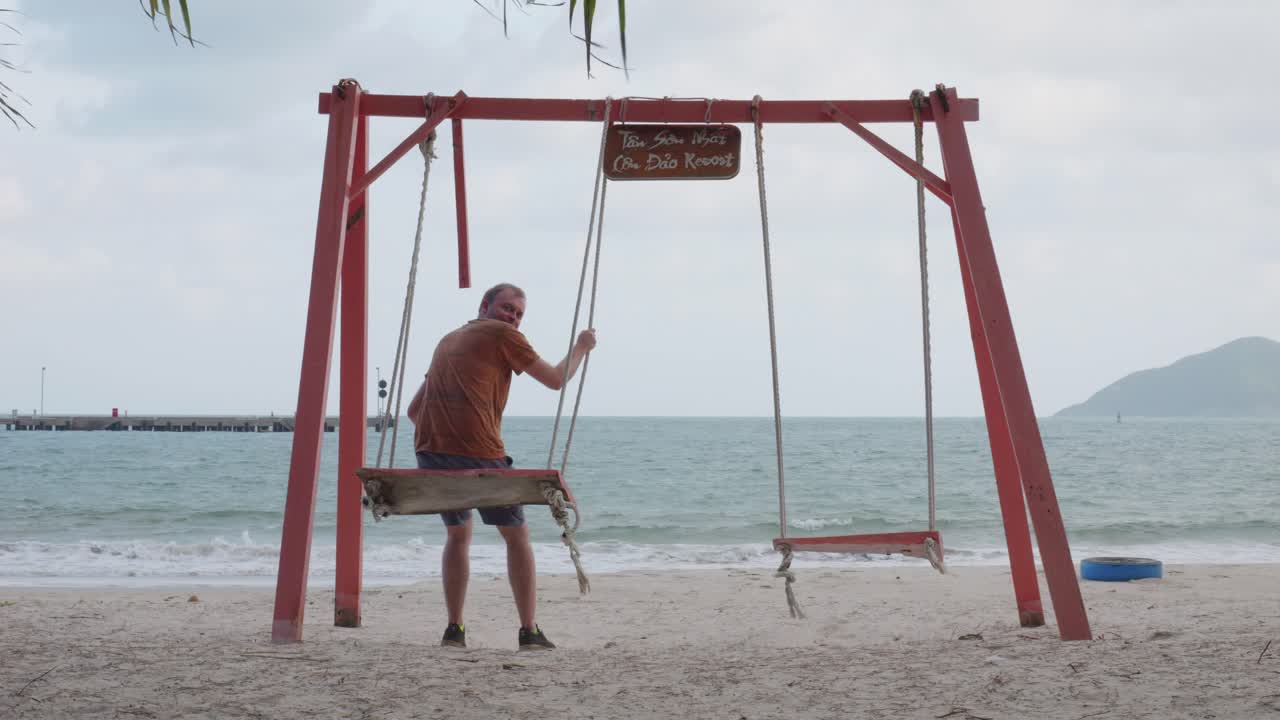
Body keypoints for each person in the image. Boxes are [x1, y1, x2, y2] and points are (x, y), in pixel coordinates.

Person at [407, 282, 596, 651]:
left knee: (458, 535)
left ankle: (454, 629)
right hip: (479, 457)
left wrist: (448, 433)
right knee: (516, 536)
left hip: (430, 455)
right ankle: (529, 631)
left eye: (518, 314)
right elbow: (556, 380)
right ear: (485, 306)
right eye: (507, 308)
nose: (513, 318)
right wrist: (581, 347)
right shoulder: (502, 335)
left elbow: (414, 412)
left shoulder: (447, 340)